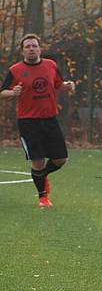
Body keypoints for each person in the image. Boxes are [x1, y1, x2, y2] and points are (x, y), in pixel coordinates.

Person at [1, 33, 75, 207]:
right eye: (27, 46)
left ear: (40, 49)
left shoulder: (51, 65)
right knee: (37, 161)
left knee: (61, 159)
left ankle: (42, 175)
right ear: (22, 51)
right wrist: (13, 93)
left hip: (50, 119)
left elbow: (59, 85)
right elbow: (2, 91)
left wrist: (68, 86)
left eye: (34, 46)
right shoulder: (15, 70)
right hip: (28, 122)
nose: (31, 49)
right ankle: (43, 197)